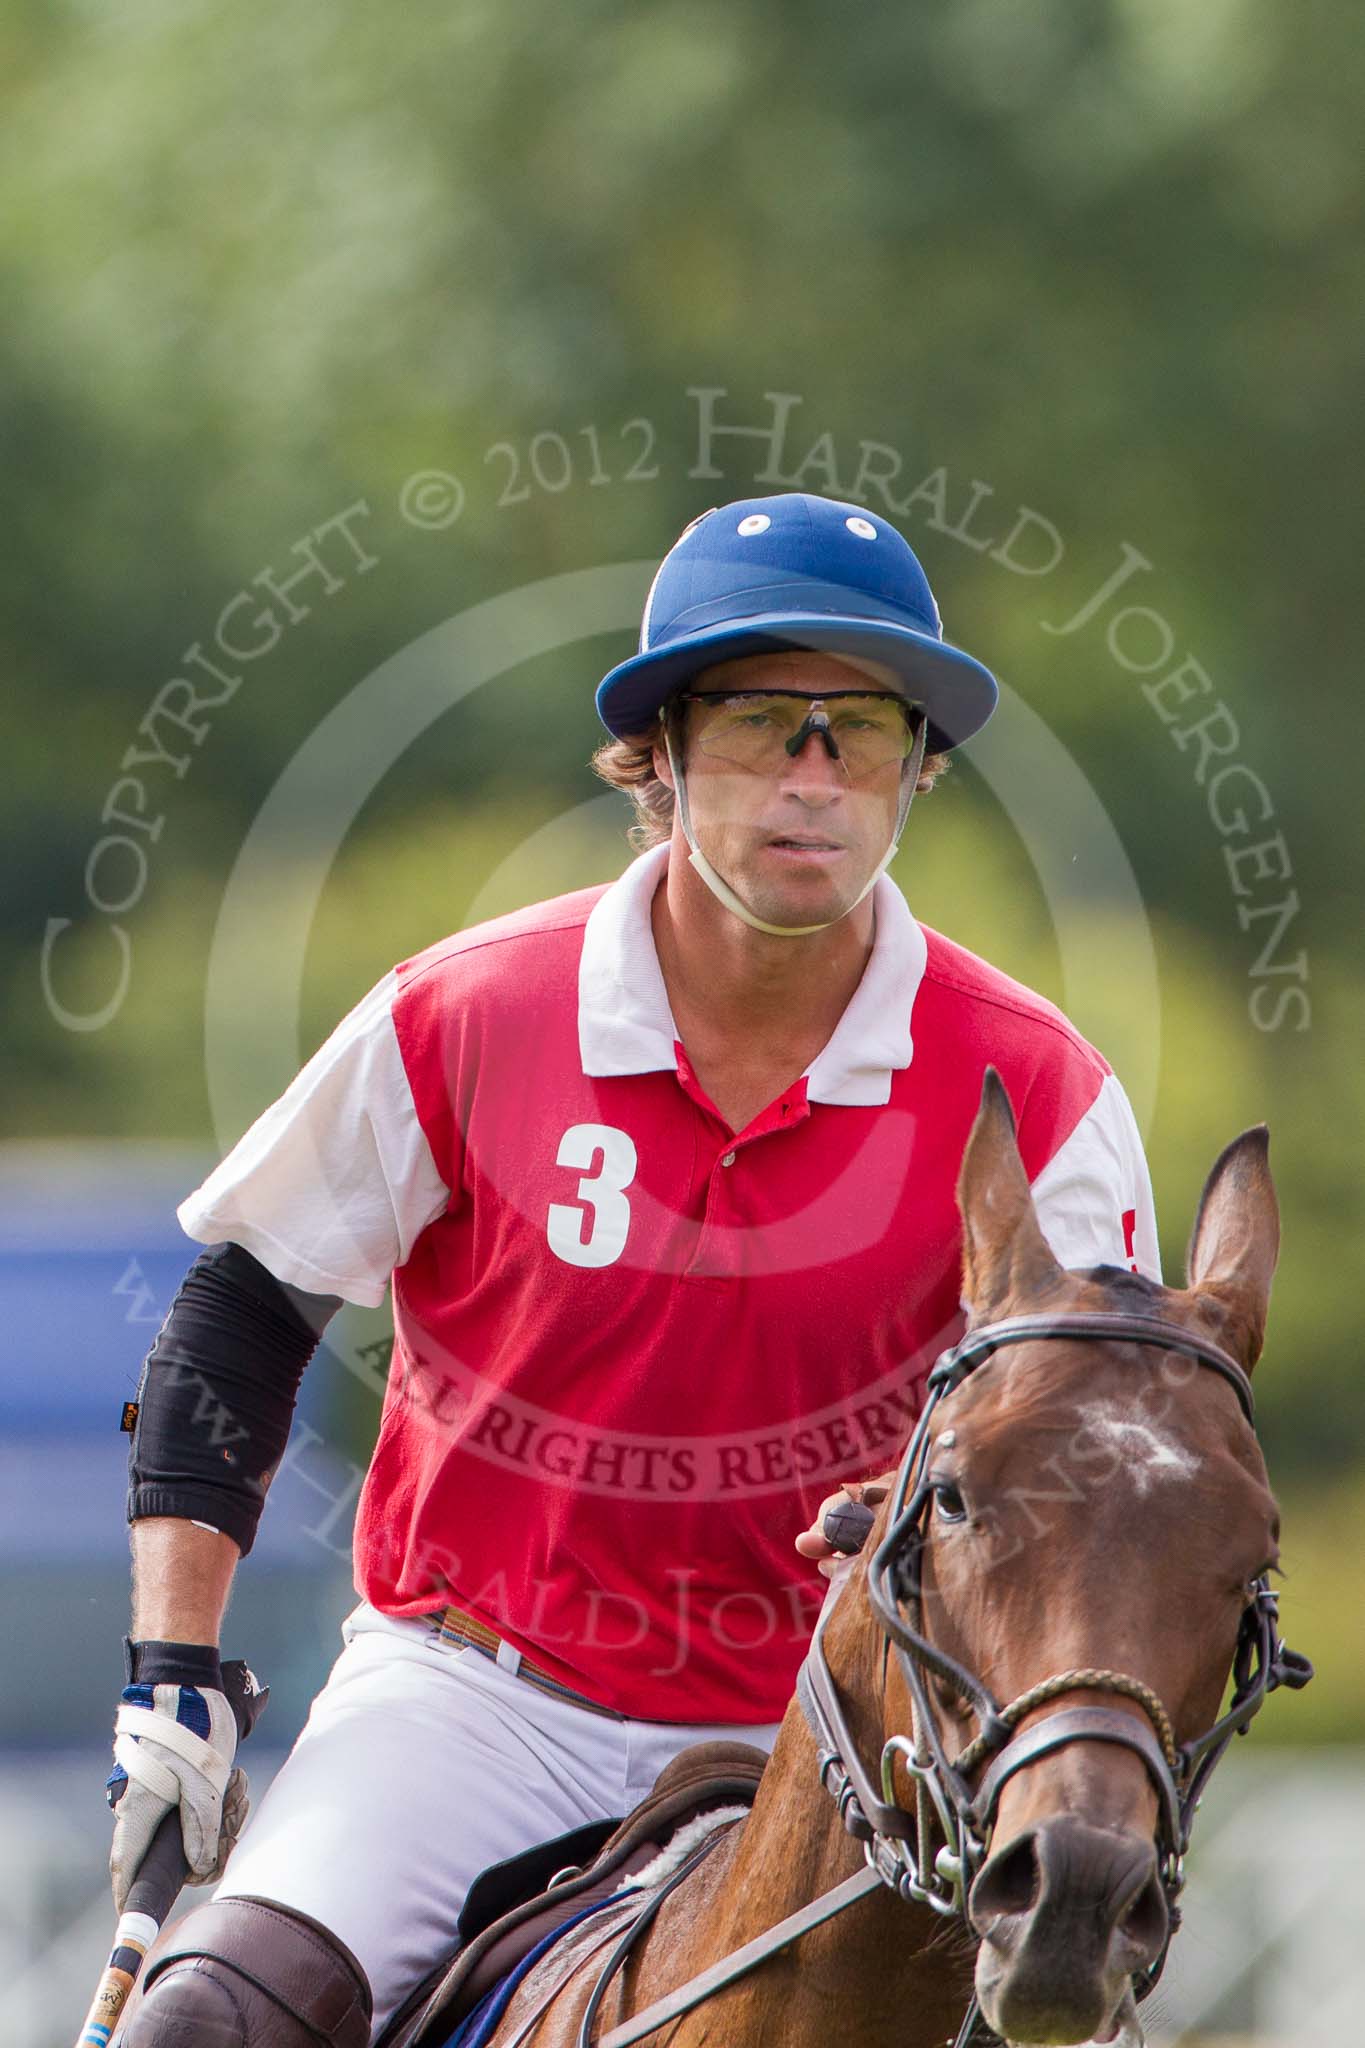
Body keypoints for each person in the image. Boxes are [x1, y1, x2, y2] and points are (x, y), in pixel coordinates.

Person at [109, 492, 1160, 2042]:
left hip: (844, 1727)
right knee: (204, 2022)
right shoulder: (461, 1015)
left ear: (914, 774)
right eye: (756, 724)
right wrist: (173, 1673)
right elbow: (242, 1313)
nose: (811, 780)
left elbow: (1098, 1458)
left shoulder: (1039, 1092)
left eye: (858, 732)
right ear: (657, 757)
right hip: (475, 1704)